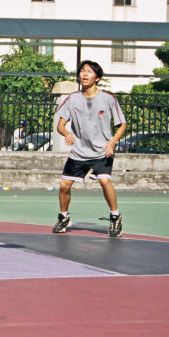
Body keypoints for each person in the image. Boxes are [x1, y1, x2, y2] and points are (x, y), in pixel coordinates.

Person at [53, 60, 127, 237]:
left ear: (98, 78)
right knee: (64, 185)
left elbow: (122, 125)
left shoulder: (108, 99)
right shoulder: (72, 99)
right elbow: (60, 125)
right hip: (79, 152)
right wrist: (66, 133)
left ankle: (115, 217)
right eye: (82, 71)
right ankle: (64, 217)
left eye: (89, 72)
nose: (85, 74)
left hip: (102, 150)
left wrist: (113, 142)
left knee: (104, 181)